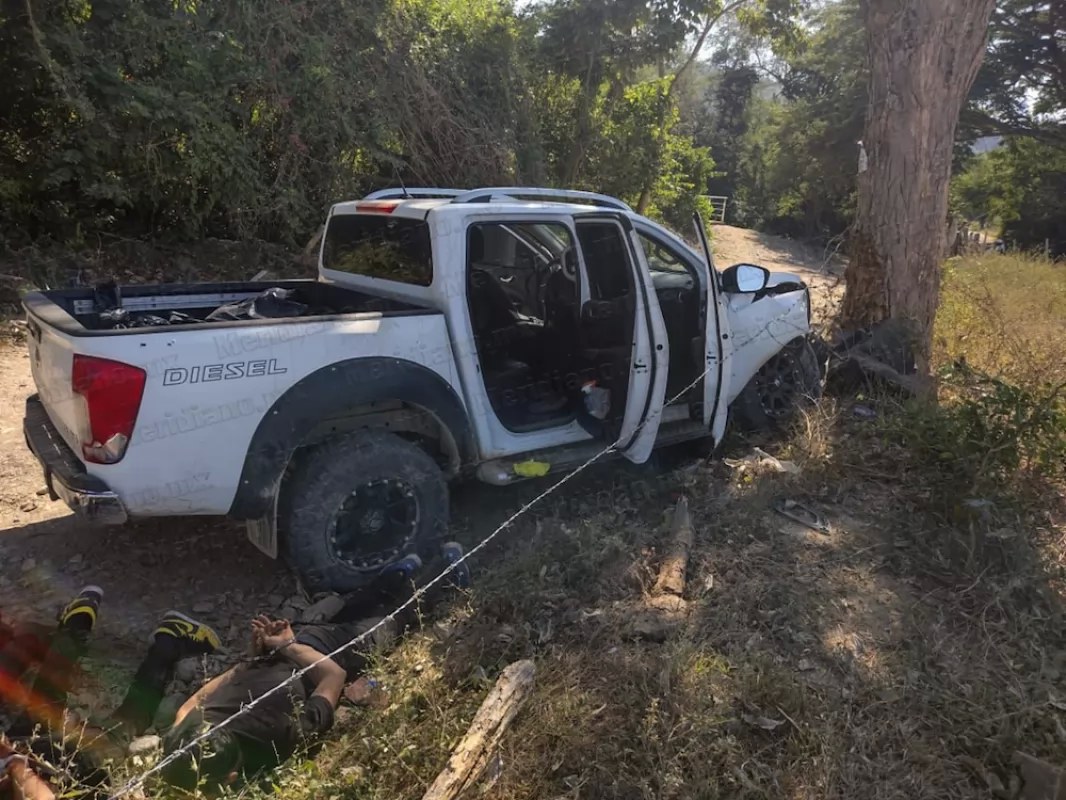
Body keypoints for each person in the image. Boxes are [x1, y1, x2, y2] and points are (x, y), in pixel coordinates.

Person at [1, 542, 470, 797]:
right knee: (385, 623)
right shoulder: (276, 741)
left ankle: (396, 575)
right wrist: (285, 650)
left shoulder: (193, 745)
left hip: (283, 650)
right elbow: (333, 679)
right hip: (317, 656)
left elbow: (193, 702)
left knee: (340, 611)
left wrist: (258, 652)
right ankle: (440, 575)